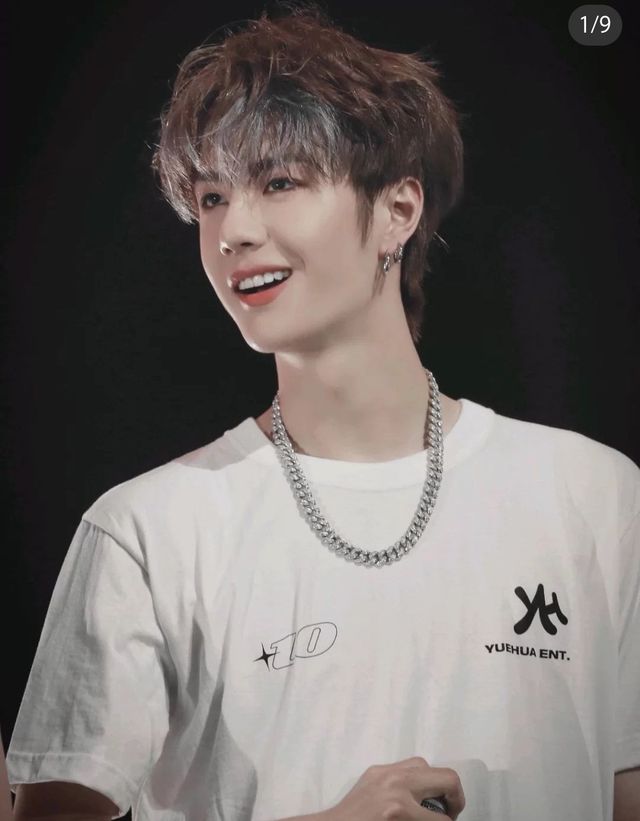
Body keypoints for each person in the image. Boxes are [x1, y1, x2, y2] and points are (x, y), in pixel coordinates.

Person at [7, 3, 640, 820]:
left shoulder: (595, 495)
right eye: (210, 197)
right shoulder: (146, 532)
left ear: (397, 212)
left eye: (280, 183)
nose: (233, 230)